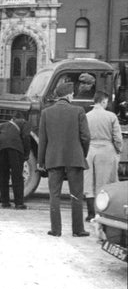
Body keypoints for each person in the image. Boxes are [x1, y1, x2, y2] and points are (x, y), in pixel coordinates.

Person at [38, 82, 91, 237]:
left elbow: (43, 140)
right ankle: (78, 229)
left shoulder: (46, 113)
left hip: (53, 158)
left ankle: (56, 229)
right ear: (68, 95)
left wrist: (41, 162)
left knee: (54, 194)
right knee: (76, 194)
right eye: (72, 94)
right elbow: (86, 137)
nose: (73, 96)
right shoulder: (79, 111)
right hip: (75, 158)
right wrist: (82, 153)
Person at [84, 91, 123, 220]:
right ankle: (101, 214)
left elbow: (83, 136)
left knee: (89, 182)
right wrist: (118, 150)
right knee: (105, 183)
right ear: (103, 101)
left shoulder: (86, 116)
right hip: (106, 150)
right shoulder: (111, 116)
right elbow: (117, 138)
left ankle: (90, 214)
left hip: (90, 150)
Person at [0, 111, 32, 210]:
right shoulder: (24, 123)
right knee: (17, 175)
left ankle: (5, 202)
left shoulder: (2, 126)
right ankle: (19, 203)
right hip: (15, 147)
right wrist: (26, 154)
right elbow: (26, 137)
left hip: (1, 147)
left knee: (3, 175)